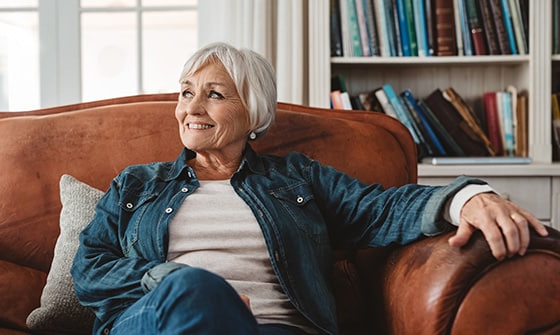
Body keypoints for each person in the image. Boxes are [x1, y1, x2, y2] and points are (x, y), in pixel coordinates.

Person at [71, 42, 549, 335]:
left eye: (214, 94)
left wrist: (469, 197)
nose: (191, 106)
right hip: (160, 322)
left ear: (253, 112)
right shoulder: (137, 184)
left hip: (277, 328)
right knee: (195, 290)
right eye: (185, 91)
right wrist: (170, 281)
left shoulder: (296, 179)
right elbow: (89, 270)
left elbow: (381, 208)